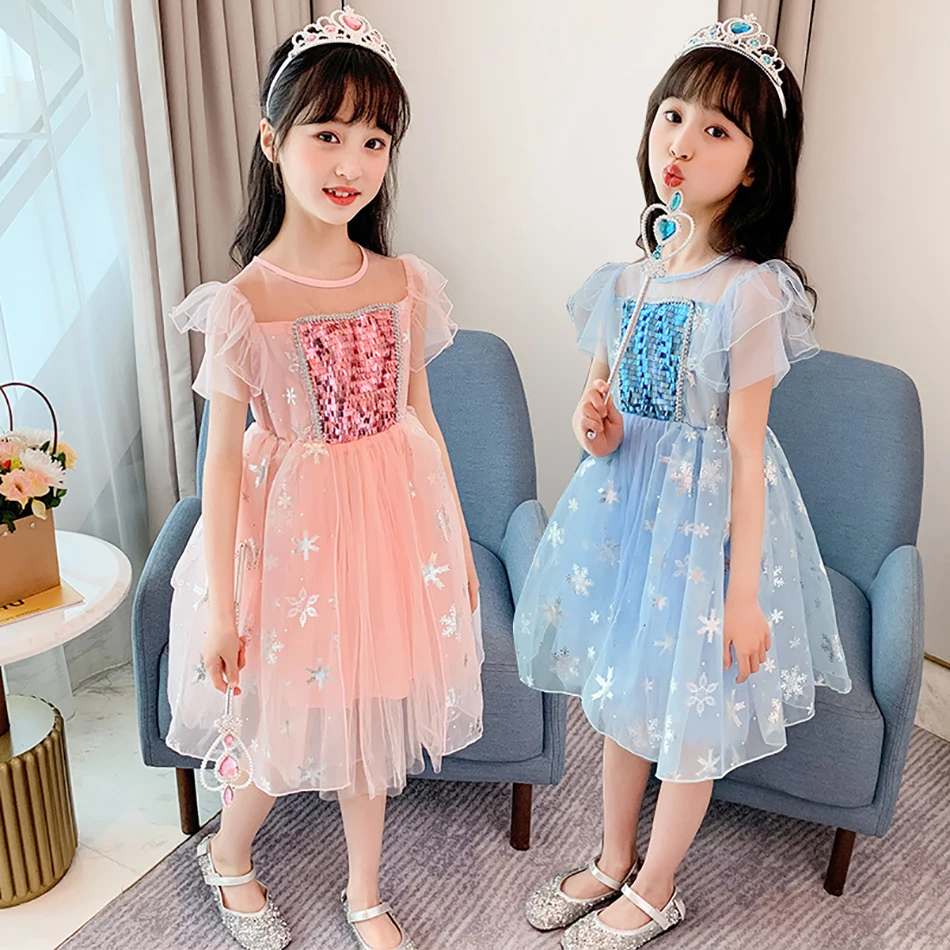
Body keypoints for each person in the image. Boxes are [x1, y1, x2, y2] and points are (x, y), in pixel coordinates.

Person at [516, 14, 850, 949]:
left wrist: (742, 596)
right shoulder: (628, 282)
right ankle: (612, 858)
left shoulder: (751, 291)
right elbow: (603, 422)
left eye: (718, 130)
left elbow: (744, 449)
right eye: (674, 116)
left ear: (753, 168)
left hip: (706, 533)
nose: (685, 142)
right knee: (626, 694)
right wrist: (595, 428)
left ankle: (657, 886)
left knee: (690, 710)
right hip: (626, 518)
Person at [165, 8, 482, 949]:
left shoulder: (402, 282)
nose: (353, 162)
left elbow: (423, 422)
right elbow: (223, 461)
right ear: (273, 142)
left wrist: (457, 549)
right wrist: (224, 605)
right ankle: (229, 854)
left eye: (375, 140)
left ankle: (364, 892)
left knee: (372, 707)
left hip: (389, 529)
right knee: (288, 715)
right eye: (328, 133)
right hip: (291, 539)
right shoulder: (242, 304)